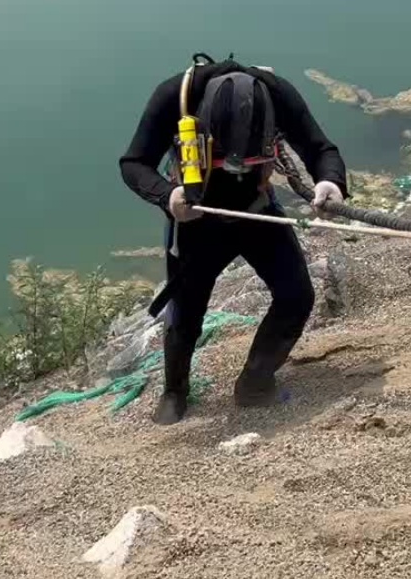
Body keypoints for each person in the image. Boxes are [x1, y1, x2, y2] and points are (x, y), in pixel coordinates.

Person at [118, 54, 347, 425]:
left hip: (257, 210)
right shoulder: (176, 95)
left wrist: (330, 182)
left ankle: (255, 381)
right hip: (195, 218)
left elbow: (320, 149)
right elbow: (134, 163)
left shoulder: (277, 93)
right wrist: (167, 196)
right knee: (186, 313)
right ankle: (175, 390)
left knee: (297, 296)